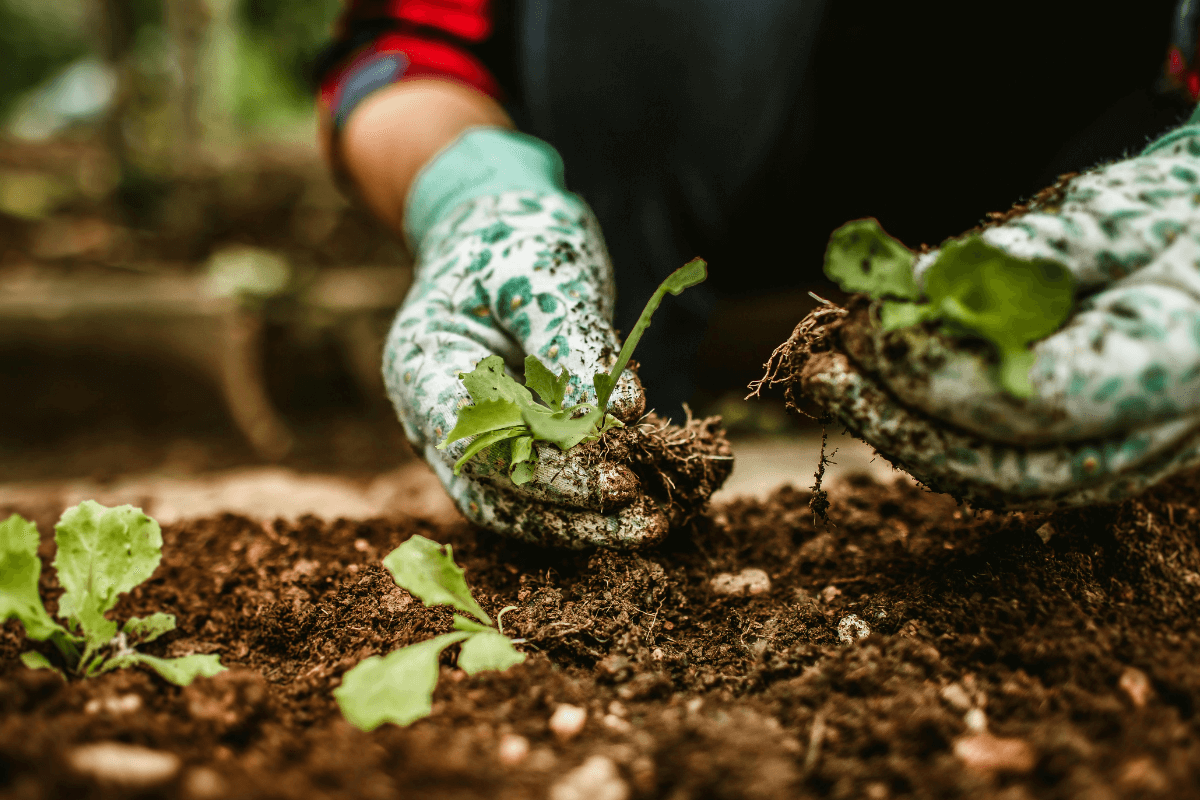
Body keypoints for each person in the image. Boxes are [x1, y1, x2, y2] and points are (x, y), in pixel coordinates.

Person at [315, 0, 1199, 546]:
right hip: (674, 158)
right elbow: (403, 52)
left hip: (1078, 142)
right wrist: (472, 194)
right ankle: (622, 448)